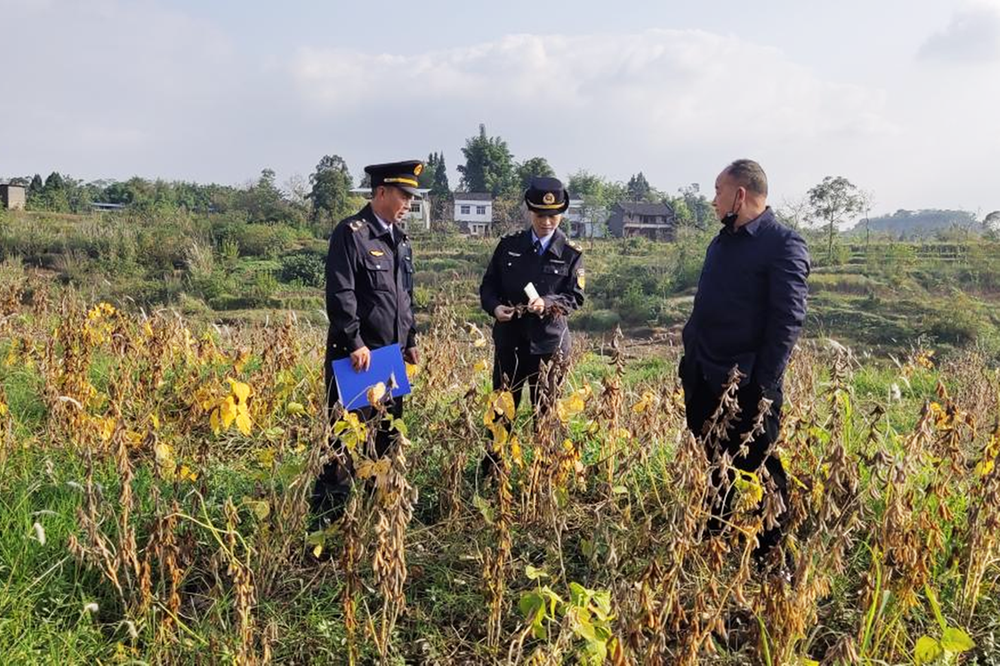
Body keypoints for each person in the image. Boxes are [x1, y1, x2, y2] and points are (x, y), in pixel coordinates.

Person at [678, 159, 810, 564]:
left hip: (749, 384)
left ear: (740, 194)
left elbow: (786, 322)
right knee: (712, 460)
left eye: (718, 190)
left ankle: (772, 557)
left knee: (760, 466)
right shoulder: (721, 241)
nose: (712, 199)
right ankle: (713, 540)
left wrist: (763, 385)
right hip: (704, 373)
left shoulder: (783, 244)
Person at [310, 160, 422, 528]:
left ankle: (379, 524)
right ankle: (325, 531)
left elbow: (404, 297)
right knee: (341, 447)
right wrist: (354, 340)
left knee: (386, 443)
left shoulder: (400, 241)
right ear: (381, 193)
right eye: (403, 195)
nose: (408, 202)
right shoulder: (352, 234)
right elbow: (341, 294)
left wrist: (411, 340)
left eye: (411, 196)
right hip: (356, 359)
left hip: (390, 360)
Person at [479, 177, 585, 467]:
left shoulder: (571, 254)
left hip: (549, 347)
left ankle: (544, 478)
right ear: (530, 212)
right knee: (501, 412)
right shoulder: (509, 246)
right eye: (541, 215)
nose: (547, 222)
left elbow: (574, 298)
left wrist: (547, 303)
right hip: (510, 344)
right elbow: (488, 287)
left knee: (547, 414)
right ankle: (493, 472)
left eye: (553, 216)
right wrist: (495, 307)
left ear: (561, 214)